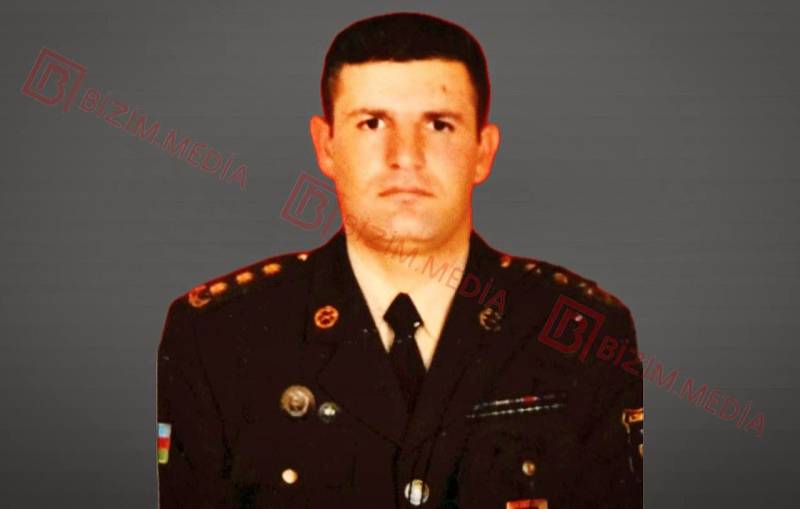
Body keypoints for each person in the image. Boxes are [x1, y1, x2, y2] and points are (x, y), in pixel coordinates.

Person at [156, 12, 643, 509]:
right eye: (372, 123)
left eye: (439, 125)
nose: (405, 156)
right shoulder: (217, 339)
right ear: (326, 146)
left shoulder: (582, 335)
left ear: (483, 151)